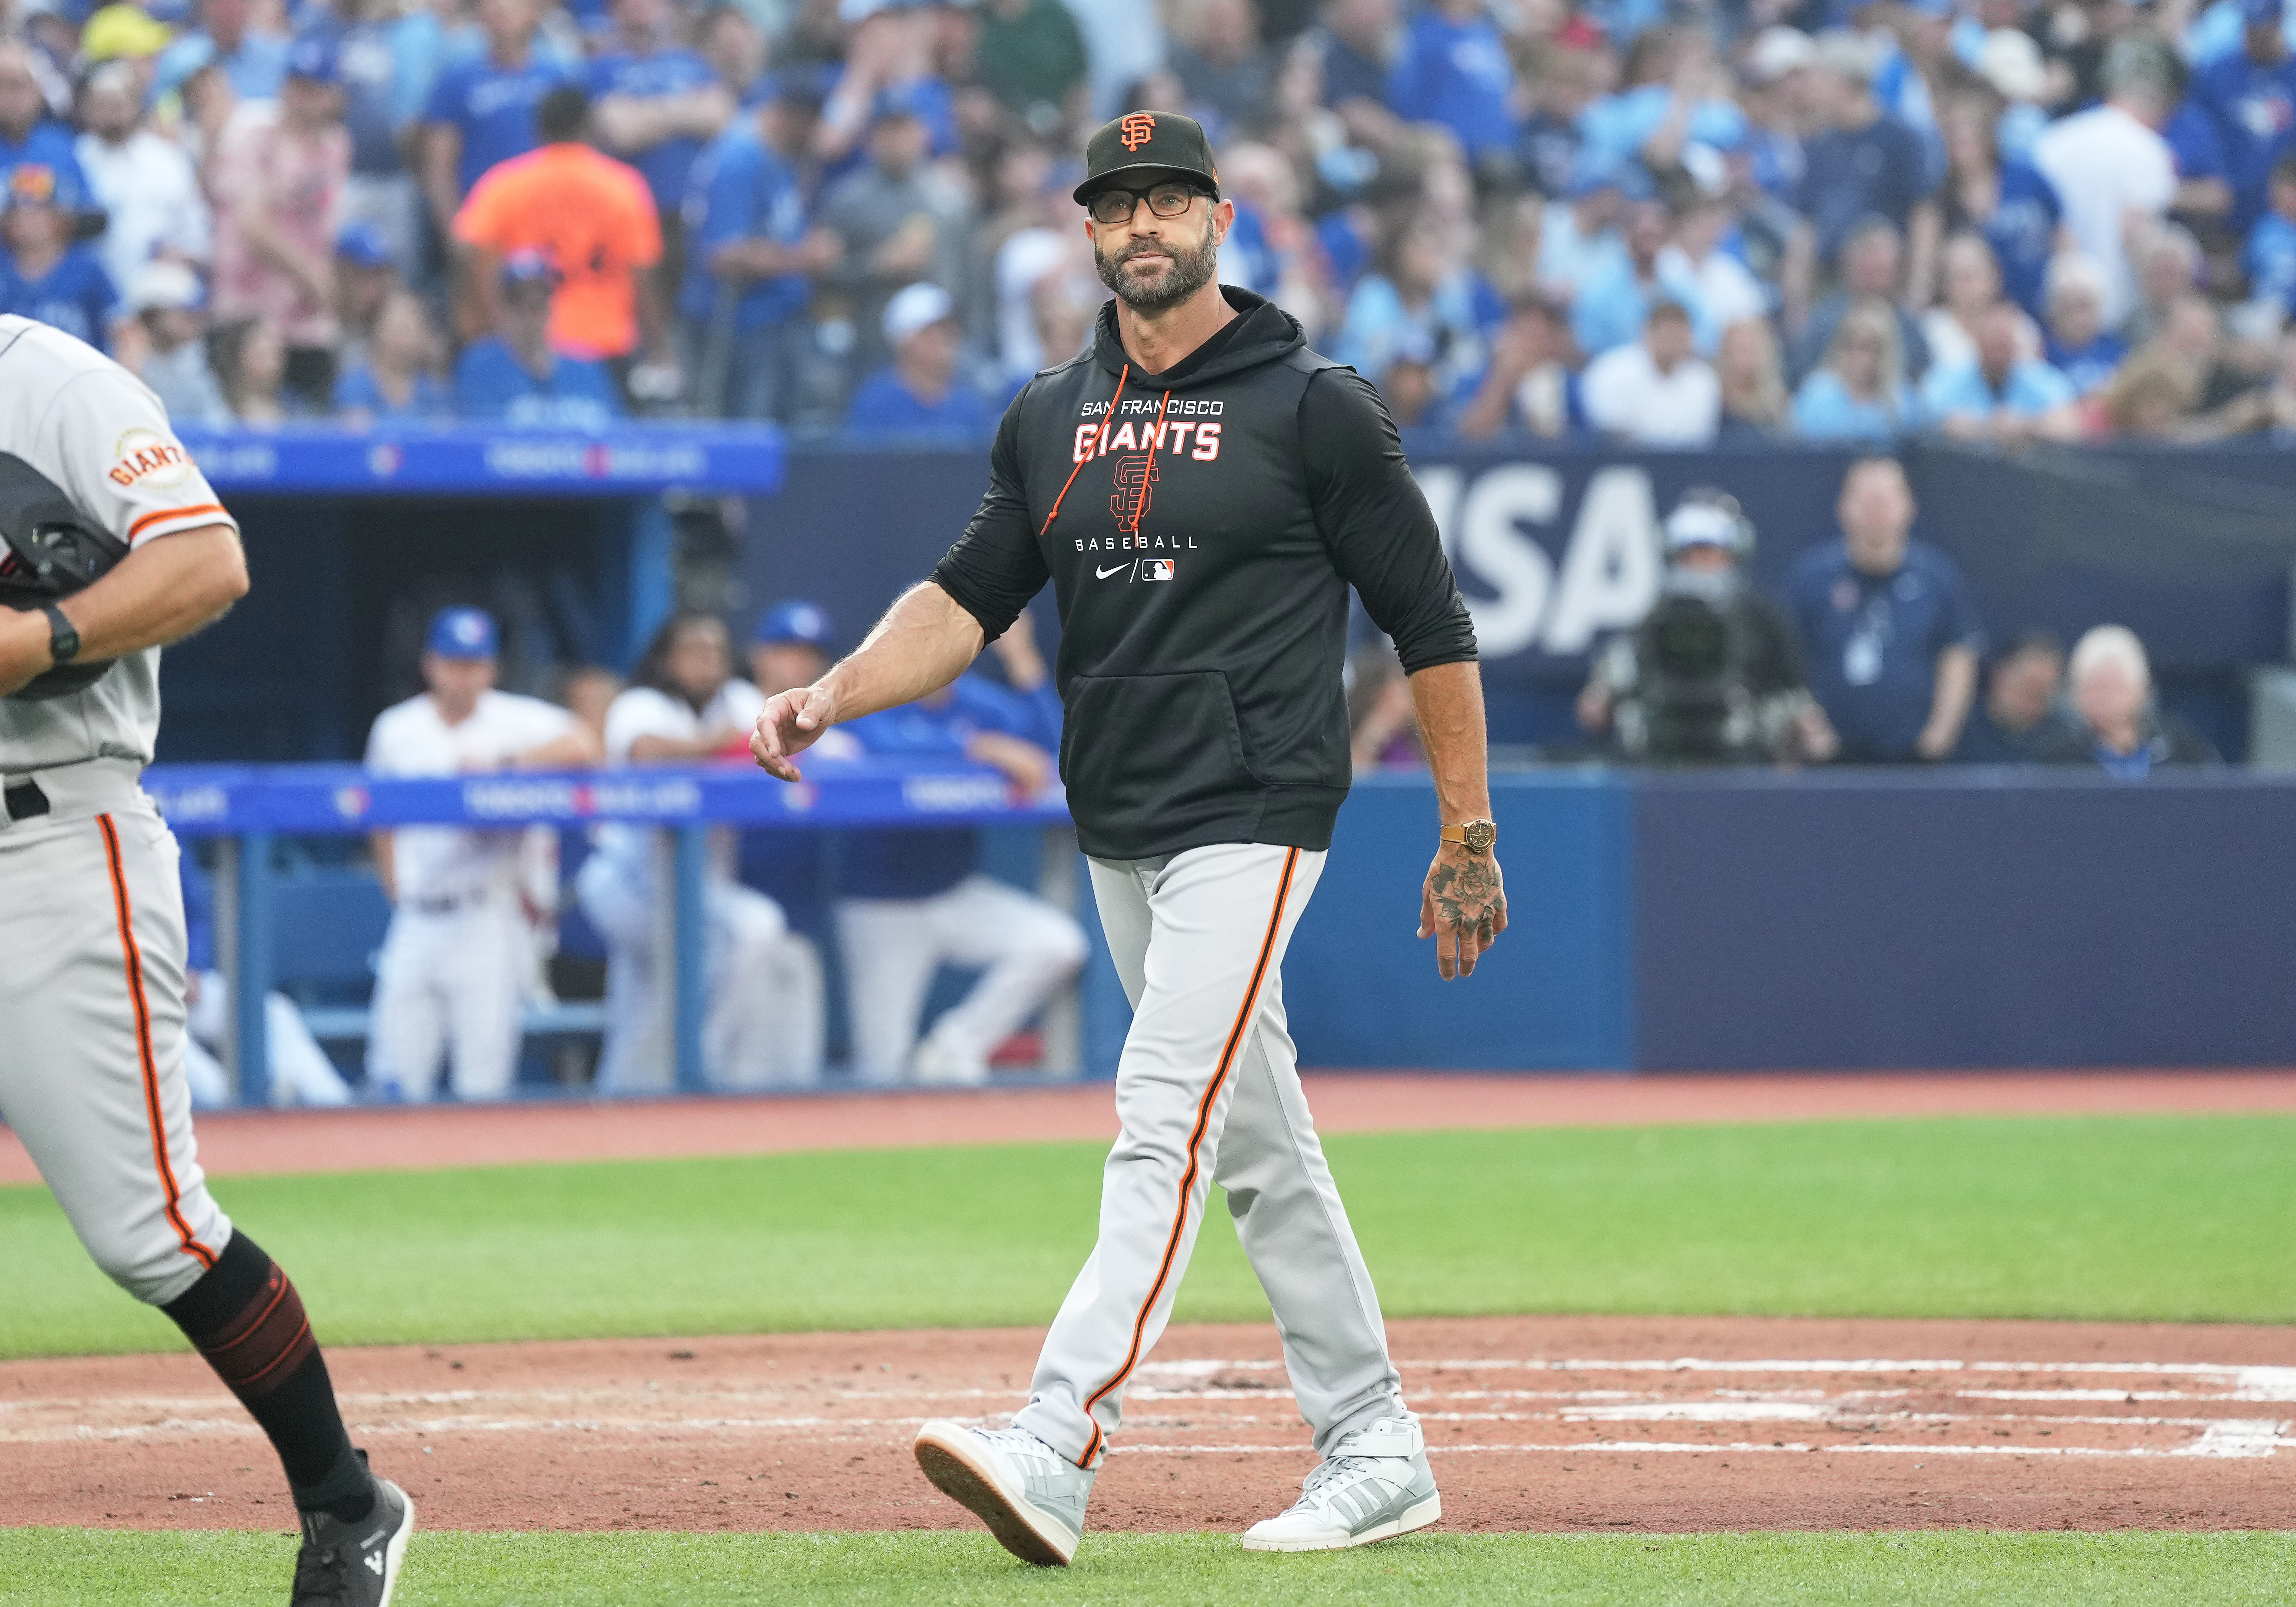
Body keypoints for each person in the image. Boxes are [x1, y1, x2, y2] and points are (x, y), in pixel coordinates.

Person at [753, 110, 1496, 1565]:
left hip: (1258, 807)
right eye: (1115, 206)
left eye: (1165, 201)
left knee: (1158, 1115)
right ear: (1085, 234)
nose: (1140, 227)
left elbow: (1431, 624)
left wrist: (1463, 831)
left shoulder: (1311, 402)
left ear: (1220, 217)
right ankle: (1372, 1442)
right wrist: (833, 693)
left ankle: (1057, 1436)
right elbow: (965, 599)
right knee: (1257, 1147)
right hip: (1118, 821)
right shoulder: (1048, 412)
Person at [0, 308, 413, 1601]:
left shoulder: (45, 381)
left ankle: (349, 1502)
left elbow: (208, 562)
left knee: (152, 1234)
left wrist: (36, 637)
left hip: (50, 836)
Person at [836, 609, 1086, 1084]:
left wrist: (1021, 658)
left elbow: (1059, 752)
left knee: (1057, 945)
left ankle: (954, 1047)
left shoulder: (978, 704)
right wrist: (975, 749)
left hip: (954, 891)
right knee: (880, 1072)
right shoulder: (868, 696)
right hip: (879, 906)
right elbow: (874, 751)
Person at [364, 608, 600, 1103]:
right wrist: (396, 890)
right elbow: (377, 818)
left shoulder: (515, 719)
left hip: (486, 914)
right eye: (453, 662)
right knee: (395, 1079)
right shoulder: (397, 728)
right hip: (417, 915)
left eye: (474, 663)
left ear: (491, 668)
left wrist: (506, 765)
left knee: (483, 1081)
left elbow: (585, 743)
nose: (463, 674)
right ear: (431, 664)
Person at [581, 611, 824, 1091]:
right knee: (752, 930)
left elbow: (796, 740)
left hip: (700, 883)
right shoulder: (641, 704)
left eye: (714, 652)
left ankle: (618, 1100)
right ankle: (699, 1062)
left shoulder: (737, 700)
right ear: (665, 660)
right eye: (692, 652)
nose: (706, 663)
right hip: (628, 882)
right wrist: (732, 742)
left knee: (646, 1000)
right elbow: (649, 754)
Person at [1578, 490, 1836, 766]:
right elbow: (1601, 703)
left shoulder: (1765, 622)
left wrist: (1803, 729)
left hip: (1742, 763)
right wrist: (1602, 700)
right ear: (1673, 555)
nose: (1701, 564)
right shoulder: (1653, 619)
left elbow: (1798, 698)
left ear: (1734, 553)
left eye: (1712, 553)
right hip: (1661, 761)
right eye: (1691, 554)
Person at [452, 86, 669, 377]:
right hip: (604, 342)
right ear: (588, 127)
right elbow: (641, 272)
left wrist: (498, 330)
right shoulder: (624, 187)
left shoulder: (504, 185)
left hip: (530, 341)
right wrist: (659, 349)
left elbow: (474, 257)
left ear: (539, 130)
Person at [1784, 455, 1985, 764]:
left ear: (1909, 506)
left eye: (1886, 499)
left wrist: (1938, 738)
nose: (1875, 510)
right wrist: (1809, 728)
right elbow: (1785, 659)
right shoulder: (1811, 577)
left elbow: (1958, 655)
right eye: (1865, 499)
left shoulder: (1936, 578)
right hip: (1827, 766)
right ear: (1842, 507)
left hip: (1916, 765)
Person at [205, 29, 351, 409]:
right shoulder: (253, 133)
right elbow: (251, 225)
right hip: (247, 311)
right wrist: (311, 275)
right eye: (296, 84)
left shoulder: (335, 146)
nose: (302, 97)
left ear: (334, 95)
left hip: (305, 318)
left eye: (314, 88)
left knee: (313, 429)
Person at [680, 75, 840, 419]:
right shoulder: (739, 159)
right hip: (739, 327)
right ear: (792, 117)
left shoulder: (779, 156)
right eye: (811, 122)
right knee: (750, 439)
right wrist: (803, 259)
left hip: (778, 321)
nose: (815, 132)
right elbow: (723, 255)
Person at [176, 853, 355, 1110]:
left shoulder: (162, 831)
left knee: (275, 1012)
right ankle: (238, 1119)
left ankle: (340, 1110)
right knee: (180, 1052)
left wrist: (192, 966)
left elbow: (194, 911)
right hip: (130, 1001)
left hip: (183, 984)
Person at [2032, 36, 2179, 328]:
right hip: (2121, 305)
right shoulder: (2150, 149)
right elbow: (2134, 229)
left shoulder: (2054, 140)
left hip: (2060, 303)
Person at [419, 0, 574, 245]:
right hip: (483, 222)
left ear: (531, 16)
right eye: (494, 12)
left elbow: (575, 155)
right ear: (483, 20)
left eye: (510, 12)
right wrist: (454, 233)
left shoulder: (557, 79)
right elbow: (439, 167)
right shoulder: (456, 82)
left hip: (548, 222)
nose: (502, 21)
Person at [75, 62, 212, 299]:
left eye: (118, 106)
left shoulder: (168, 161)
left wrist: (184, 254)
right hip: (90, 294)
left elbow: (195, 228)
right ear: (87, 109)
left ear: (136, 105)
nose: (111, 116)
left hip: (158, 296)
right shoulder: (76, 159)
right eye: (102, 106)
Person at [452, 252, 624, 427]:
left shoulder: (587, 367)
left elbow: (619, 437)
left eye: (539, 303)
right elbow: (475, 437)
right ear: (502, 309)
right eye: (519, 302)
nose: (531, 314)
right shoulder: (481, 367)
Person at [2036, 625, 2220, 774]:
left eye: (2110, 686)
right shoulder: (2056, 759)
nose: (2101, 697)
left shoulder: (2181, 746)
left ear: (2141, 690)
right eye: (2091, 687)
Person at [2193, 0, 2296, 233]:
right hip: (2230, 206)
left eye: (2261, 24)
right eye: (2249, 23)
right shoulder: (2219, 72)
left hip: (2286, 213)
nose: (2254, 32)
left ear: (2279, 20)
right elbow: (2201, 132)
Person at [844, 280, 996, 437]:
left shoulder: (970, 402)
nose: (944, 338)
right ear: (903, 343)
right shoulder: (875, 403)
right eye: (929, 331)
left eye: (948, 328)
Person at [1919, 299, 2081, 444]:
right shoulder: (1948, 377)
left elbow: (2071, 425)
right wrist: (1983, 427)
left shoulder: (2040, 378)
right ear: (1977, 342)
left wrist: (2028, 426)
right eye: (1992, 344)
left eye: (2003, 345)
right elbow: (1926, 416)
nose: (1997, 354)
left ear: (2014, 345)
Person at [0, 163, 121, 354]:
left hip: (78, 378)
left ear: (59, 218)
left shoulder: (86, 268)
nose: (25, 219)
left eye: (37, 210)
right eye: (16, 210)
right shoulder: (3, 267)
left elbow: (124, 330)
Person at [1580, 299, 1719, 446]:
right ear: (1648, 332)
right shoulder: (1610, 372)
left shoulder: (1704, 380)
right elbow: (1609, 434)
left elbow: (1701, 439)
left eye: (1679, 335)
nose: (1673, 342)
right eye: (1667, 334)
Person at [120, 261, 233, 427]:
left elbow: (219, 424)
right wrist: (132, 368)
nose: (194, 321)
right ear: (155, 315)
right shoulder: (122, 358)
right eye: (185, 313)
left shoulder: (192, 360)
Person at [1792, 296, 1919, 440]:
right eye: (1851, 346)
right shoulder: (1818, 394)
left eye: (1869, 348)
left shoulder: (1902, 399)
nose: (1859, 357)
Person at [336, 288, 451, 424]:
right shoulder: (356, 384)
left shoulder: (430, 389)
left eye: (416, 327)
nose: (410, 337)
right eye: (403, 327)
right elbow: (356, 433)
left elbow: (445, 429)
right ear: (380, 330)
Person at [1956, 627, 2069, 762]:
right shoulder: (1958, 730)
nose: (2035, 704)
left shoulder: (2063, 744)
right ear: (2000, 677)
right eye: (2028, 689)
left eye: (2044, 695)